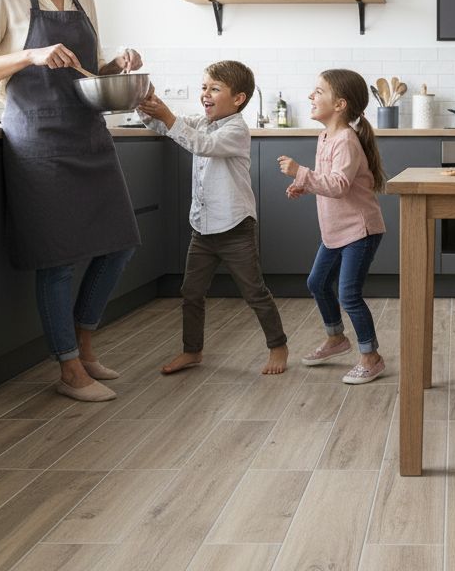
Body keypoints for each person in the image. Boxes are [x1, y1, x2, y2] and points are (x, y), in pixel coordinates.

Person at [0, 0, 141, 403]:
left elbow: (86, 71)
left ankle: (85, 345)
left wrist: (115, 65)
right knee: (58, 259)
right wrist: (30, 55)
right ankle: (68, 368)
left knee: (120, 242)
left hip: (88, 133)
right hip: (38, 140)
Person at [136, 61, 289, 376]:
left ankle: (278, 346)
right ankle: (192, 351)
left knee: (254, 292)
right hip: (202, 229)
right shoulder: (202, 122)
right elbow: (164, 126)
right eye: (204, 87)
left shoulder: (236, 130)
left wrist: (168, 117)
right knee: (191, 293)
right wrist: (144, 102)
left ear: (238, 99)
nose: (205, 93)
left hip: (235, 228)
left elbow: (202, 145)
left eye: (215, 88)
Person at [277, 69, 388, 385]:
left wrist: (300, 172)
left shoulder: (346, 141)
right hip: (336, 231)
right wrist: (304, 184)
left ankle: (371, 357)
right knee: (317, 283)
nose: (311, 96)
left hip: (360, 230)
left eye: (318, 91)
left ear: (340, 104)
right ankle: (337, 338)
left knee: (348, 294)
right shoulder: (325, 137)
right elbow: (328, 180)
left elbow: (339, 185)